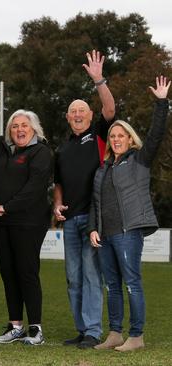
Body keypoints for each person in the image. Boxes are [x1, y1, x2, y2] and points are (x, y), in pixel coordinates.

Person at [88, 76, 170, 352]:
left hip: (128, 233)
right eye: (112, 136)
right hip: (106, 235)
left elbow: (157, 134)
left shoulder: (139, 160)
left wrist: (161, 103)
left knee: (132, 284)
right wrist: (92, 228)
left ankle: (136, 336)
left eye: (121, 135)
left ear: (129, 138)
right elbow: (94, 203)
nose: (116, 139)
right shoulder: (103, 169)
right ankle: (114, 333)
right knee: (112, 286)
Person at [0, 73, 53, 346]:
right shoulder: (3, 150)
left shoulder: (41, 152)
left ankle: (36, 328)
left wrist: (6, 207)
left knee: (27, 272)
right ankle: (15, 325)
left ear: (34, 129)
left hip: (28, 222)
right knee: (8, 274)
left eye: (24, 126)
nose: (19, 130)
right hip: (3, 222)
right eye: (14, 127)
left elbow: (34, 189)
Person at [53, 50, 116, 349]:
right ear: (67, 118)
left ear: (90, 116)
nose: (77, 115)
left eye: (82, 111)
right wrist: (56, 203)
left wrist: (98, 80)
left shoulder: (100, 135)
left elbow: (110, 107)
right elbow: (59, 184)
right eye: (72, 112)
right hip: (71, 222)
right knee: (73, 278)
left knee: (92, 276)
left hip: (93, 220)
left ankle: (93, 330)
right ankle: (81, 329)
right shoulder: (62, 149)